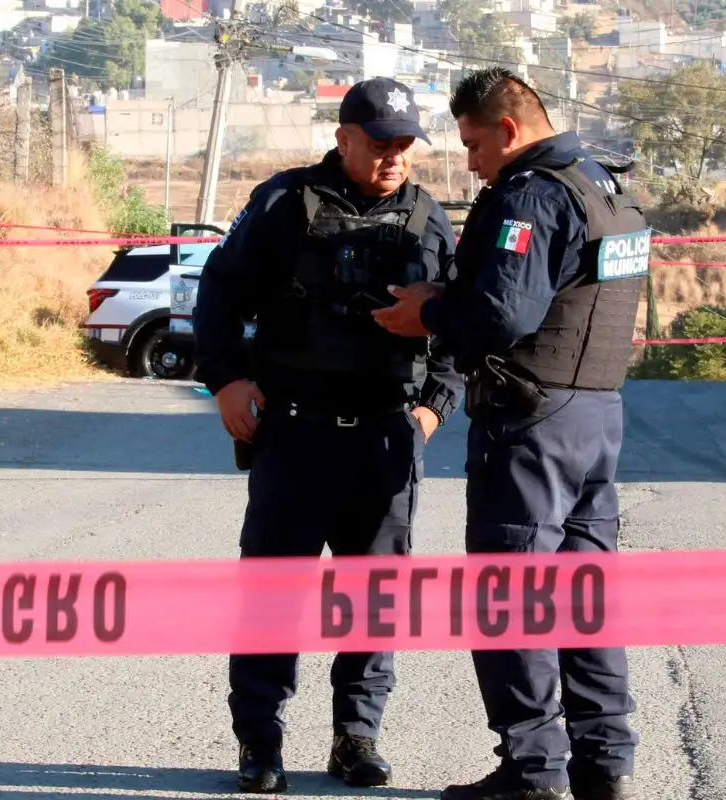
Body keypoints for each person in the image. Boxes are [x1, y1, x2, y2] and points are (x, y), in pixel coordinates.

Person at [373, 67, 645, 800]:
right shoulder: (607, 186)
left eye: (473, 144)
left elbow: (503, 315)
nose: (471, 163)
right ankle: (605, 762)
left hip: (531, 420)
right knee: (586, 594)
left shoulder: (532, 195)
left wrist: (427, 314)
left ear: (509, 129)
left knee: (512, 591)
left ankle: (532, 769)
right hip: (597, 413)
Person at [191, 76, 464, 795]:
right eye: (379, 143)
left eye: (404, 144)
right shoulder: (283, 203)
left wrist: (434, 408)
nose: (394, 156)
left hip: (385, 440)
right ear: (343, 138)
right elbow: (219, 290)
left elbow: (457, 323)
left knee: (375, 598)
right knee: (272, 594)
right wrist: (225, 379)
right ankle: (260, 742)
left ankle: (357, 737)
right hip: (295, 436)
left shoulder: (429, 218)